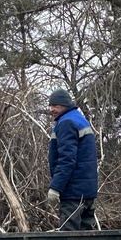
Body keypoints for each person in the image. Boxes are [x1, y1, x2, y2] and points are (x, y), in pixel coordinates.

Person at [46, 87, 99, 230]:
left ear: (65, 105)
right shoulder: (80, 119)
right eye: (50, 105)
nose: (52, 109)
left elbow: (67, 159)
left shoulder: (66, 123)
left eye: (55, 105)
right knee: (87, 237)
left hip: (73, 193)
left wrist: (56, 187)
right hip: (87, 192)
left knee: (70, 238)